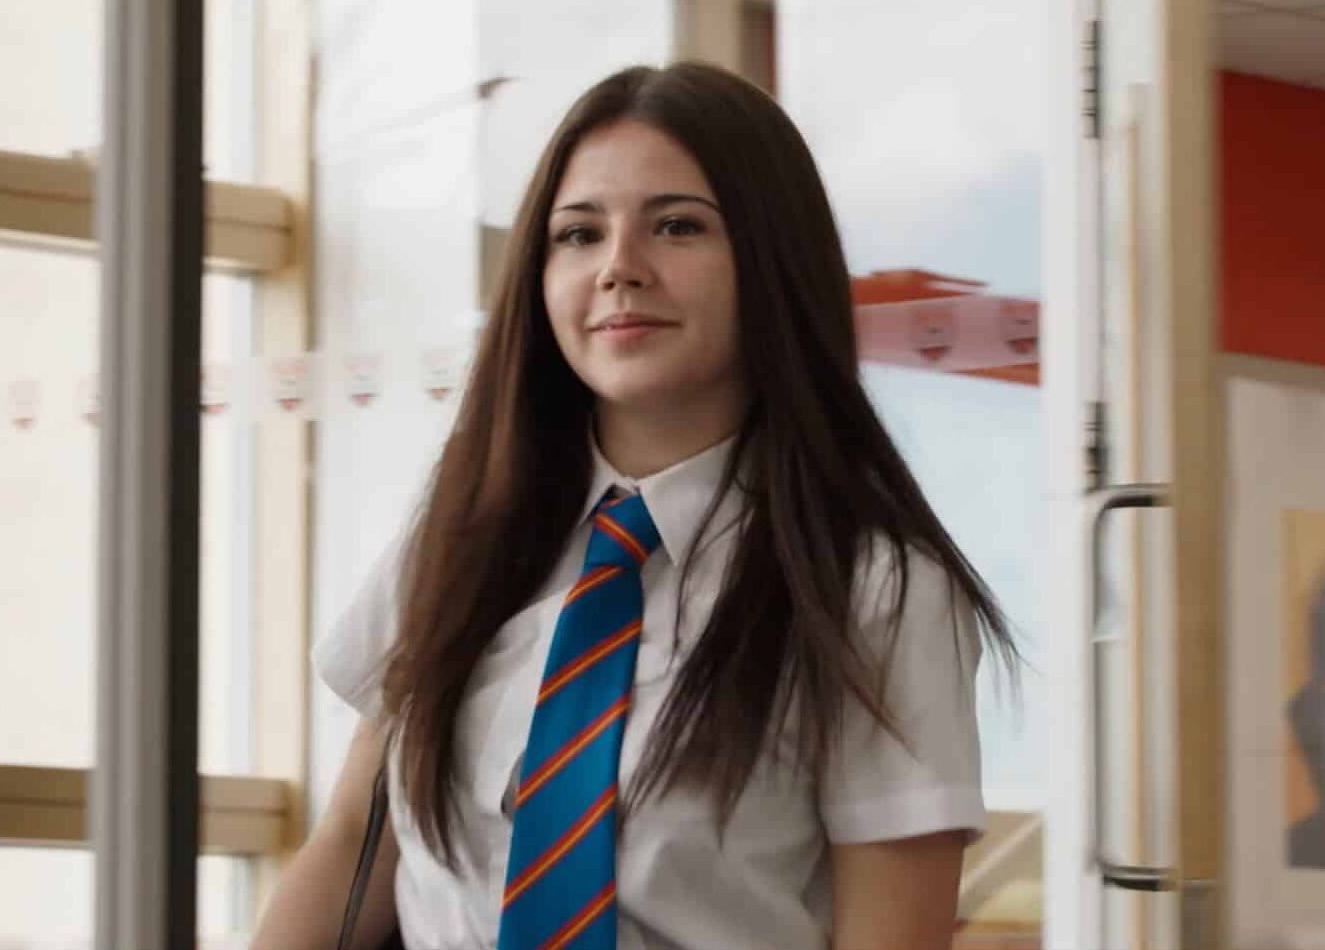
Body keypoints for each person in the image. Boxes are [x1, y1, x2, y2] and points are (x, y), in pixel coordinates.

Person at [252, 61, 1015, 950]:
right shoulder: (461, 537)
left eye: (677, 226)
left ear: (771, 260)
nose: (619, 268)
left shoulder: (873, 591)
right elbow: (350, 845)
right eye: (577, 234)